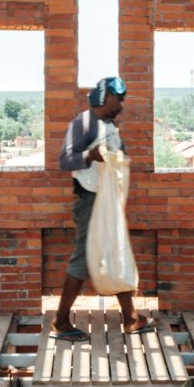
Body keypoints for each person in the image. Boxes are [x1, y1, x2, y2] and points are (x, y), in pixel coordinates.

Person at [51, 75, 155, 342]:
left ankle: (130, 318)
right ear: (104, 97)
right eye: (118, 100)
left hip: (106, 199)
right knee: (85, 257)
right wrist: (90, 155)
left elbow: (118, 156)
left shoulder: (110, 125)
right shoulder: (83, 123)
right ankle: (61, 321)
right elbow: (64, 160)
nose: (121, 105)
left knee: (114, 250)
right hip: (89, 200)